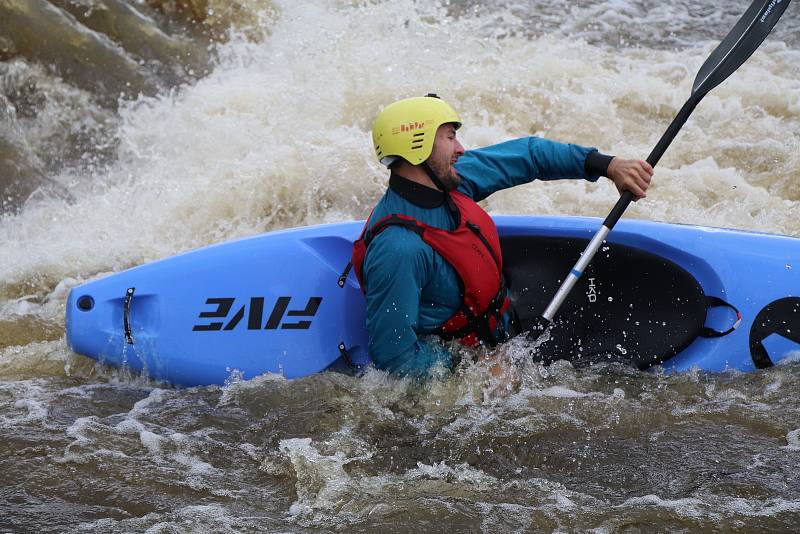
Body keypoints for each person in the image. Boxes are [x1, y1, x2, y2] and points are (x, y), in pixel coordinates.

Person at [351, 94, 653, 378]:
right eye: (449, 137)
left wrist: (607, 165)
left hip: (502, 325)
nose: (460, 149)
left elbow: (528, 155)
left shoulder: (451, 182)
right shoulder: (398, 249)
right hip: (468, 367)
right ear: (416, 147)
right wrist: (470, 369)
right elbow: (395, 359)